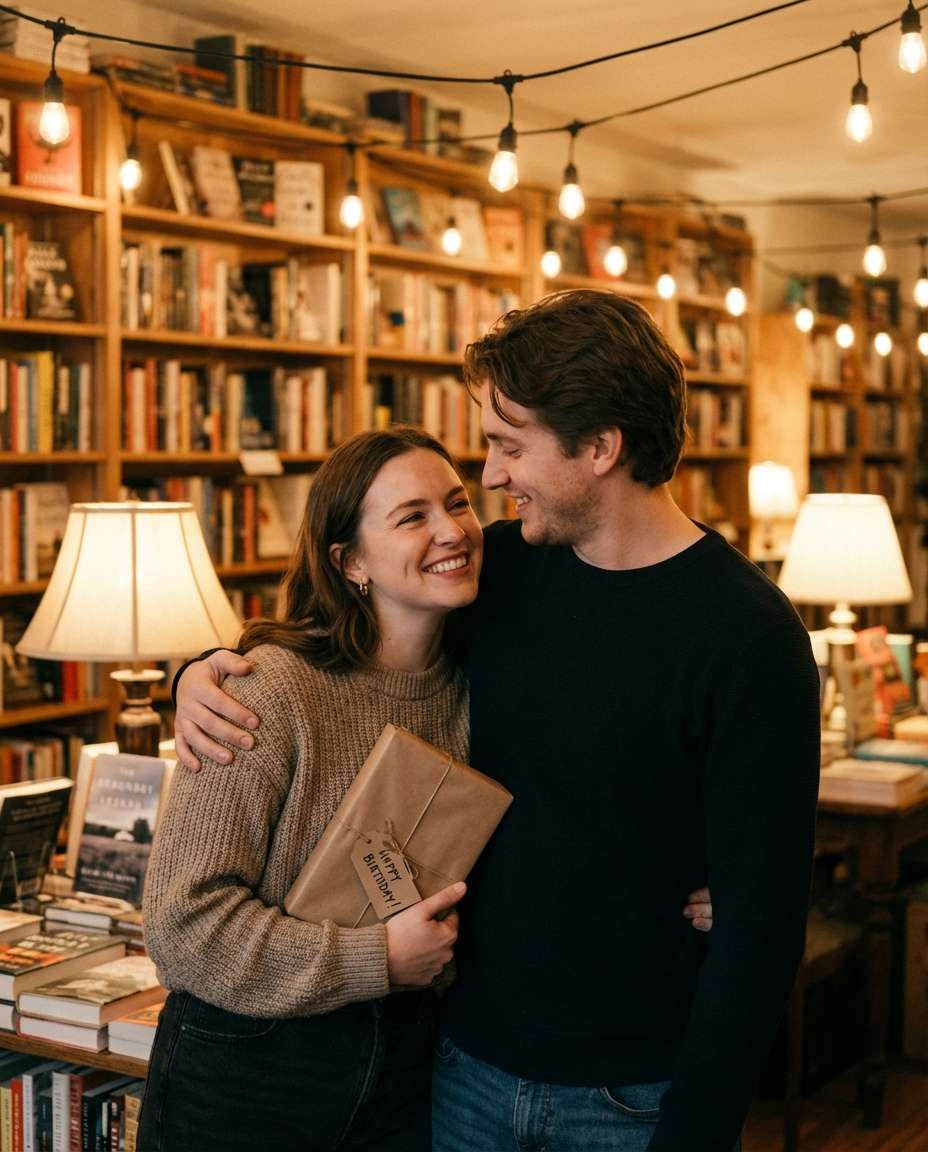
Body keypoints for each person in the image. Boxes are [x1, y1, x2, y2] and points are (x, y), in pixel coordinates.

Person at [174, 290, 819, 1152]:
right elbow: (352, 639)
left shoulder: (751, 635)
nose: (488, 478)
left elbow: (761, 933)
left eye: (510, 446)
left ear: (600, 448)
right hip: (459, 1074)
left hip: (632, 1098)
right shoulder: (497, 571)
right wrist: (196, 674)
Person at [138, 428, 480, 1152]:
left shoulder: (483, 687)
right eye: (412, 517)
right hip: (247, 1071)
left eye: (458, 502)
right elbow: (181, 925)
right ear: (349, 561)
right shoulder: (269, 691)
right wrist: (377, 958)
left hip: (409, 1067)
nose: (453, 530)